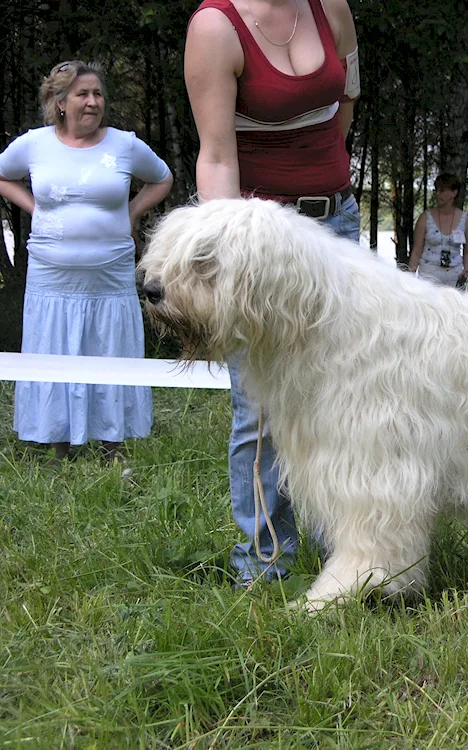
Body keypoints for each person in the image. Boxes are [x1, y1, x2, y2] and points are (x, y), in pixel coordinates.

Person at [185, 0, 362, 586]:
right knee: (259, 411)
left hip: (337, 229)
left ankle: (347, 548)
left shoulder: (330, 7)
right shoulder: (216, 28)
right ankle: (264, 562)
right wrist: (229, 259)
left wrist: (324, 178)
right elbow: (215, 156)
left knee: (345, 398)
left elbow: (347, 99)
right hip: (261, 246)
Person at [0, 60, 172, 467]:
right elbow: (3, 175)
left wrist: (130, 214)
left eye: (98, 94)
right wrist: (32, 205)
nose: (93, 102)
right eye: (83, 94)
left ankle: (114, 449)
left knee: (109, 350)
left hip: (109, 276)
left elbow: (162, 179)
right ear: (60, 102)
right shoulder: (33, 144)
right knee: (56, 349)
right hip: (51, 277)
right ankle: (59, 448)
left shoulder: (125, 145)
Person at [407, 173, 468, 286]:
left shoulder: (466, 220)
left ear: (454, 193)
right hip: (428, 276)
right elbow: (417, 251)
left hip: (454, 277)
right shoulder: (425, 218)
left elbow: (467, 251)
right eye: (436, 190)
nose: (438, 194)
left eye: (442, 191)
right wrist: (410, 277)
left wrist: (466, 271)